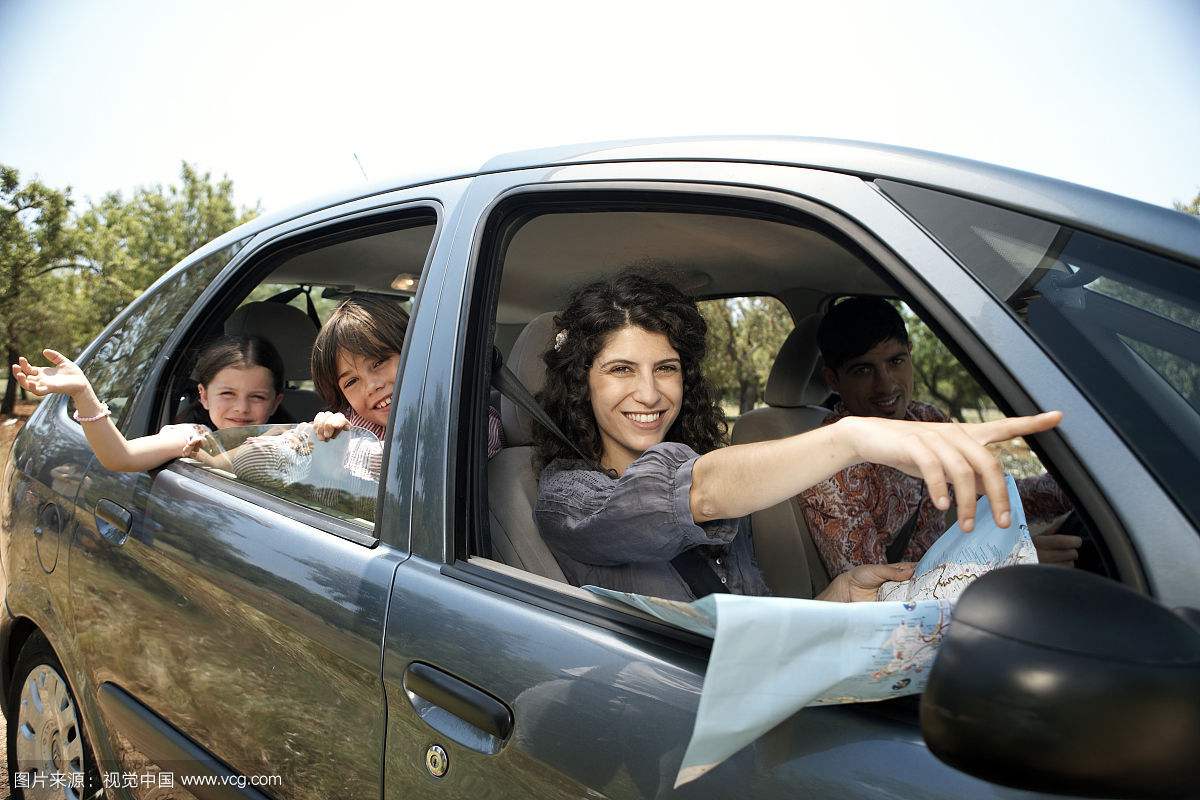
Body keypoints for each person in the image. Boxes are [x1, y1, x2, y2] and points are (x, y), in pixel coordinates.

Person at [532, 271, 1063, 604]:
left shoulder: (720, 487)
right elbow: (695, 491)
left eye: (665, 368)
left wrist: (835, 600)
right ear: (582, 382)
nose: (648, 394)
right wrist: (850, 438)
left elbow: (753, 620)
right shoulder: (567, 500)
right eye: (621, 370)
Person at [799, 296, 1079, 578]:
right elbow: (875, 595)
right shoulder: (831, 467)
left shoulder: (927, 419)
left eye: (895, 361)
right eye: (863, 370)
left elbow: (992, 494)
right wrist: (1007, 565)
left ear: (910, 353)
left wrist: (1078, 485)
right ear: (833, 380)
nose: (886, 385)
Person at [225, 294, 504, 518]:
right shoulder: (349, 422)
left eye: (379, 362)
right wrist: (306, 439)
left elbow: (418, 466)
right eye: (351, 382)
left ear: (417, 349)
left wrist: (332, 457)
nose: (371, 386)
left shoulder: (471, 419)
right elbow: (251, 461)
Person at [11, 335, 286, 472]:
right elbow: (121, 457)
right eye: (227, 394)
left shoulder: (290, 438)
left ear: (276, 403)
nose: (241, 408)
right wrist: (83, 393)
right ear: (203, 395)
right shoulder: (194, 437)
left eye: (257, 397)